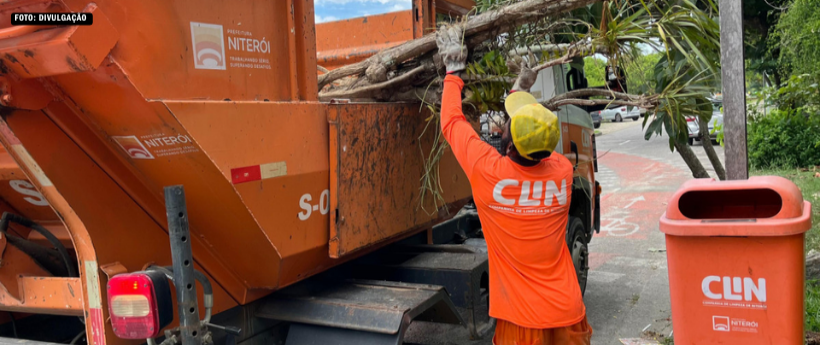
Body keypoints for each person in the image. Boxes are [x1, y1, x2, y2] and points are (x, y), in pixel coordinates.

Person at [435, 25, 592, 345]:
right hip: (567, 312)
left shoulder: (486, 172)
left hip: (521, 322)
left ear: (506, 146)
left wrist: (453, 70)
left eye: (507, 124)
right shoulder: (561, 171)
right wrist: (519, 89)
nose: (504, 124)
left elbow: (451, 120)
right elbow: (530, 137)